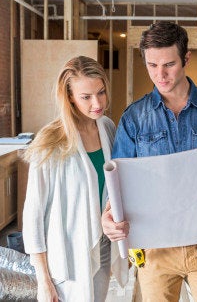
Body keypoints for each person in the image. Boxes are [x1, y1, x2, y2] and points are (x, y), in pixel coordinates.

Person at [101, 22, 197, 301]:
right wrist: (109, 215)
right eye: (152, 65)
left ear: (186, 58)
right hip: (155, 250)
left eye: (169, 64)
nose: (160, 74)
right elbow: (119, 182)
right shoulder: (134, 117)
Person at [22, 56, 127, 302]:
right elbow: (33, 215)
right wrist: (43, 280)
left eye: (101, 93)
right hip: (66, 257)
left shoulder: (108, 128)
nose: (97, 103)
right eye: (86, 97)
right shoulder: (51, 140)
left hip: (101, 247)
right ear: (69, 96)